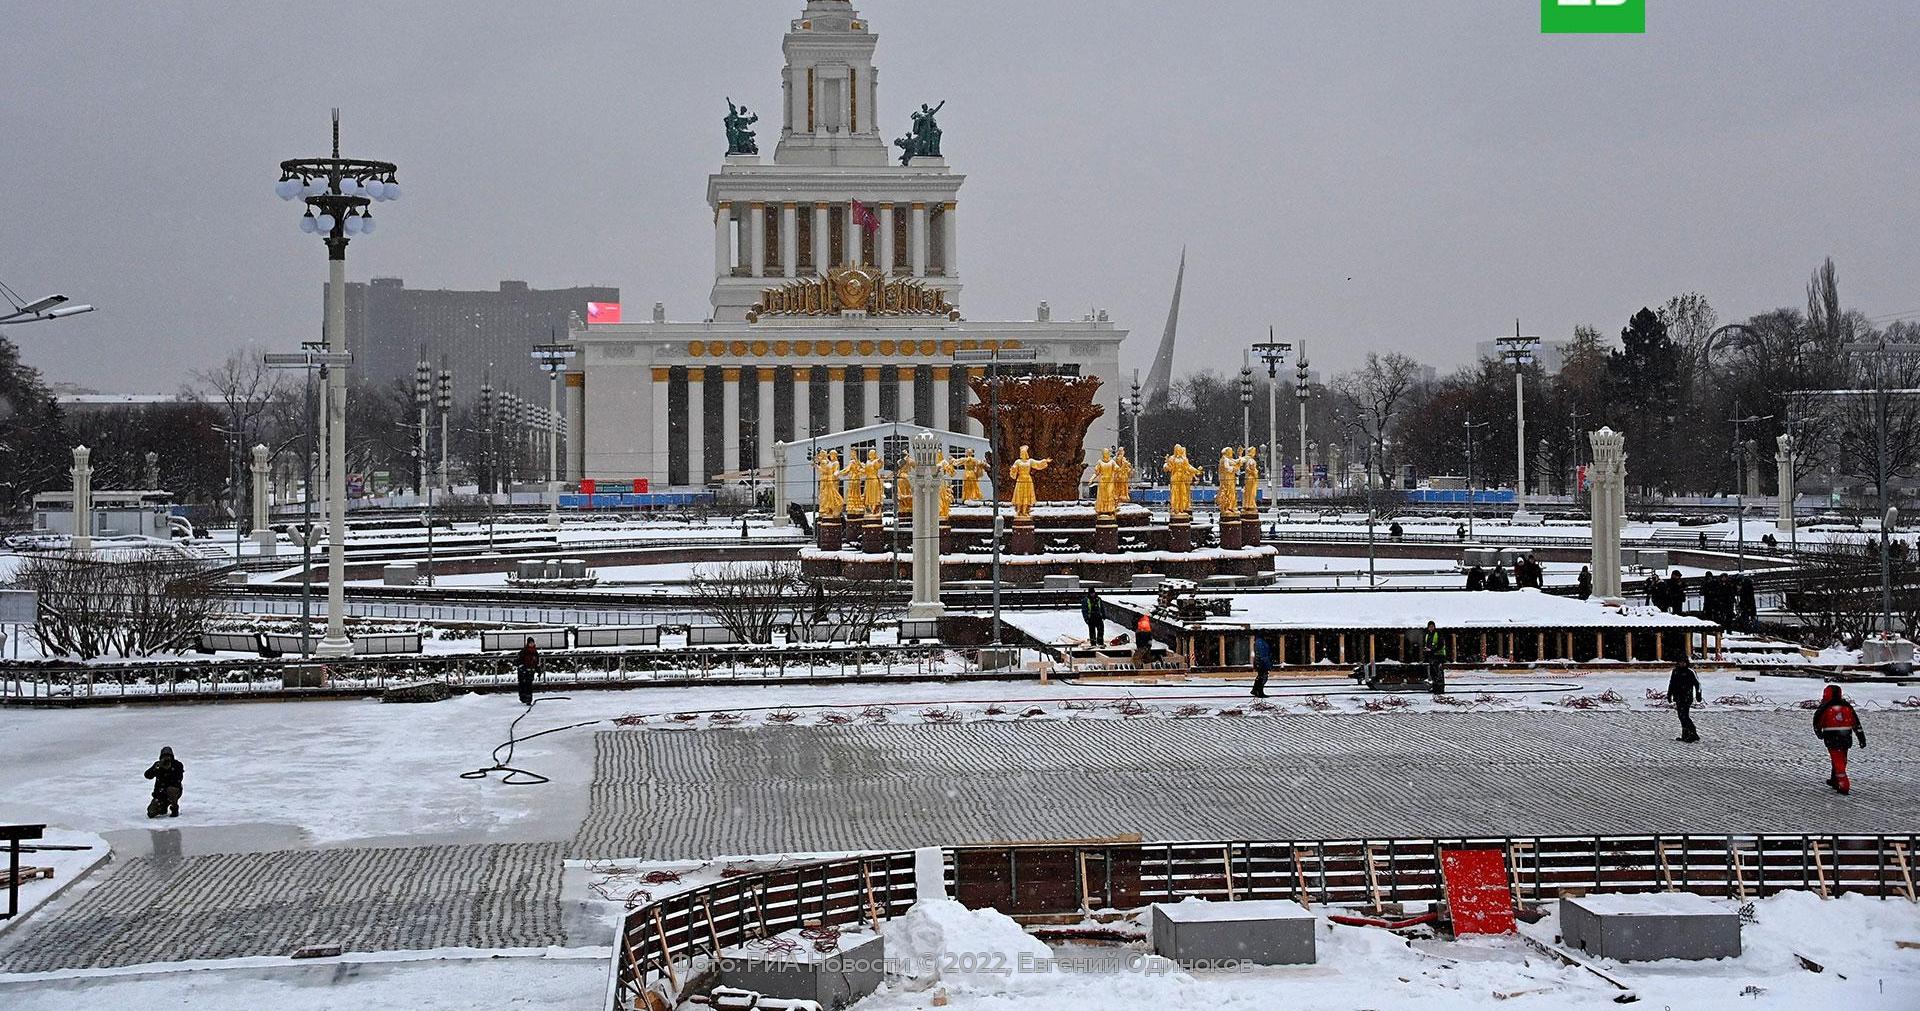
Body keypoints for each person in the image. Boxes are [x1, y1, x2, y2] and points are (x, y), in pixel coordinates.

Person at [1813, 685, 1868, 794]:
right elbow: (1856, 723)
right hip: (1846, 737)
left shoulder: (1825, 707)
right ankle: (1835, 780)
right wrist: (1861, 738)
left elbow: (1817, 721)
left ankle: (1843, 784)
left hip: (1832, 738)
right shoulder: (1847, 706)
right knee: (1841, 759)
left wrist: (1819, 733)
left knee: (1838, 761)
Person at [144, 746, 184, 819]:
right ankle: (163, 807)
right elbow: (147, 775)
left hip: (173, 792)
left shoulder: (177, 765)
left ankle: (174, 807)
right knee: (151, 813)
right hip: (160, 794)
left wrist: (169, 770)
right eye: (164, 757)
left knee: (171, 790)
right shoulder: (158, 765)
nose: (166, 759)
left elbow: (178, 779)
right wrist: (155, 769)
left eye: (168, 756)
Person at [1667, 660, 1703, 742]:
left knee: (1685, 716)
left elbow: (1697, 684)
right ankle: (1685, 735)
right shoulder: (1675, 671)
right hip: (1678, 697)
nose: (1681, 664)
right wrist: (1669, 695)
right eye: (1680, 662)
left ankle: (1692, 734)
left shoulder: (1690, 672)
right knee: (1681, 716)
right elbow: (1671, 684)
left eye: (1683, 662)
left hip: (1687, 697)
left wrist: (1698, 695)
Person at [1420, 621, 1447, 695]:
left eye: (1432, 626)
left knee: (1439, 673)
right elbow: (1426, 644)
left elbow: (1441, 645)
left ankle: (1440, 689)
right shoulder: (1427, 635)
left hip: (1439, 656)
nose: (1431, 628)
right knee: (1433, 673)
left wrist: (1432, 649)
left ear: (1434, 627)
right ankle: (1435, 688)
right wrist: (1426, 650)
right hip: (1431, 656)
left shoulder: (1438, 633)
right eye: (1430, 626)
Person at [515, 636, 539, 705]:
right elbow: (519, 661)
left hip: (530, 671)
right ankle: (523, 697)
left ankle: (528, 698)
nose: (531, 644)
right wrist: (522, 668)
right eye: (530, 643)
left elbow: (537, 662)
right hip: (523, 671)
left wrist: (537, 669)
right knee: (523, 684)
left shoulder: (535, 652)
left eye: (532, 643)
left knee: (529, 685)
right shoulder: (524, 651)